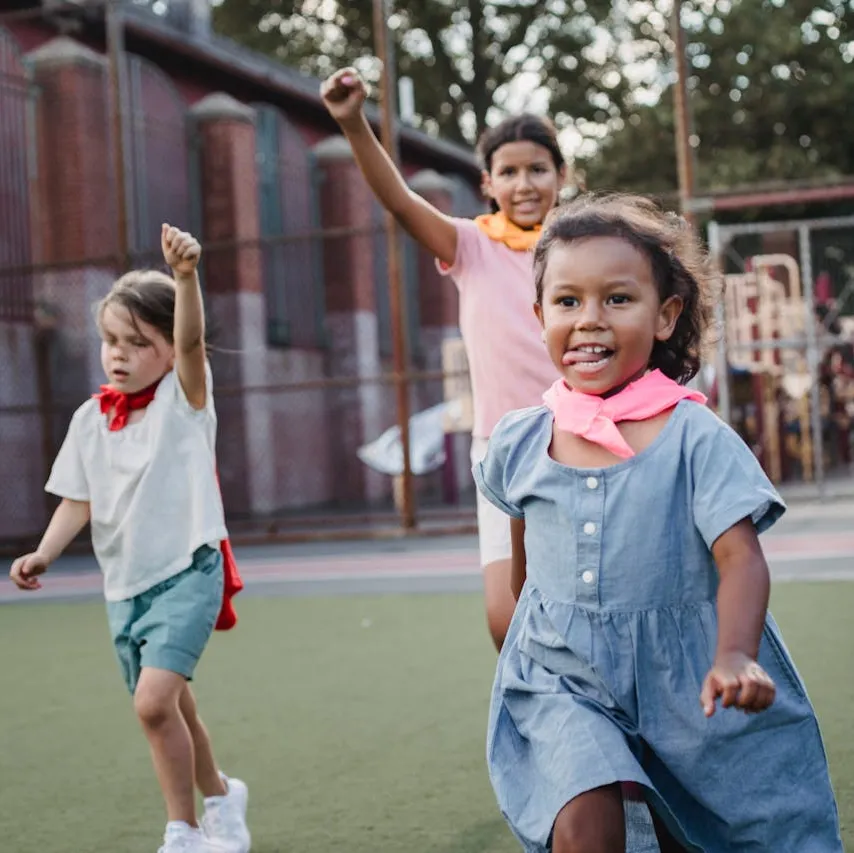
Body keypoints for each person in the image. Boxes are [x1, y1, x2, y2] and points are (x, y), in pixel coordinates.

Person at [474, 194, 842, 852]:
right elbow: (524, 544)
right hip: (563, 674)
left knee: (700, 831)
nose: (589, 321)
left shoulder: (694, 436)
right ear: (540, 317)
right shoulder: (520, 441)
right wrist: (525, 636)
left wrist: (735, 653)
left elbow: (740, 558)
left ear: (666, 315)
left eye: (617, 299)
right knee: (585, 817)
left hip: (686, 674)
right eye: (567, 302)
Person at [10, 226, 251, 853]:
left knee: (152, 705)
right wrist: (45, 550)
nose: (117, 354)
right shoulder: (91, 419)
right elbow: (78, 499)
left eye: (137, 343)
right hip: (125, 586)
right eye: (109, 341)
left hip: (188, 571)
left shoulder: (184, 400)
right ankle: (221, 794)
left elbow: (194, 338)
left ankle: (183, 830)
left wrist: (187, 277)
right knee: (176, 710)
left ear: (169, 352)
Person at [320, 67, 564, 652]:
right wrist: (354, 123)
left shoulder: (581, 243)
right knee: (506, 622)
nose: (524, 182)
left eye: (538, 168)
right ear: (488, 183)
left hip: (578, 444)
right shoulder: (471, 245)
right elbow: (400, 202)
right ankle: (538, 728)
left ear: (562, 175)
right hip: (502, 451)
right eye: (509, 171)